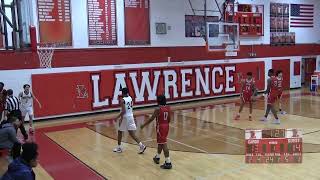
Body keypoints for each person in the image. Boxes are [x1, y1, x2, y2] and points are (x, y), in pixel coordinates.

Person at [141, 95, 172, 169]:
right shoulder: (168, 108)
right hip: (166, 126)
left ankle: (168, 162)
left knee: (163, 143)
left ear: (158, 101)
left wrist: (143, 125)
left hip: (160, 127)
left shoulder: (158, 109)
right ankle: (157, 157)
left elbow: (151, 119)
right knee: (160, 142)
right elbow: (169, 119)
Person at [113, 87, 146, 154]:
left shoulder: (122, 100)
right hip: (131, 116)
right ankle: (141, 145)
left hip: (125, 117)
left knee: (120, 132)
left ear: (123, 93)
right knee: (132, 133)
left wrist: (117, 117)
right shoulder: (130, 98)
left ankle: (119, 148)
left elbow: (124, 111)